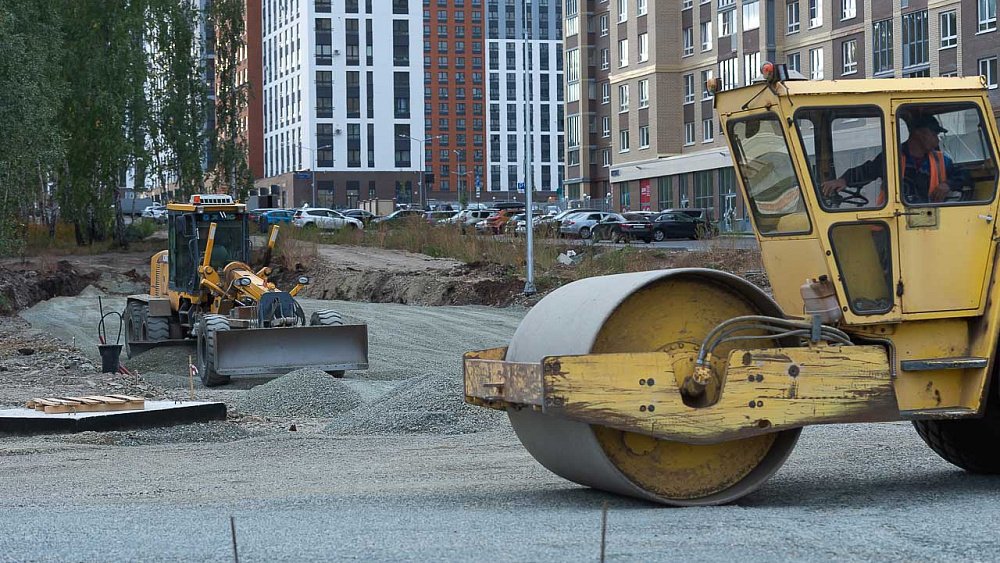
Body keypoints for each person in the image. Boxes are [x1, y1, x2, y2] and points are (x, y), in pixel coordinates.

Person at [821, 114, 965, 205]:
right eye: (934, 133)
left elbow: (963, 175)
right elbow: (867, 170)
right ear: (919, 133)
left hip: (928, 223)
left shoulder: (941, 161)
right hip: (893, 224)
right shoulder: (893, 157)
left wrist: (948, 185)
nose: (936, 139)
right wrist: (844, 180)